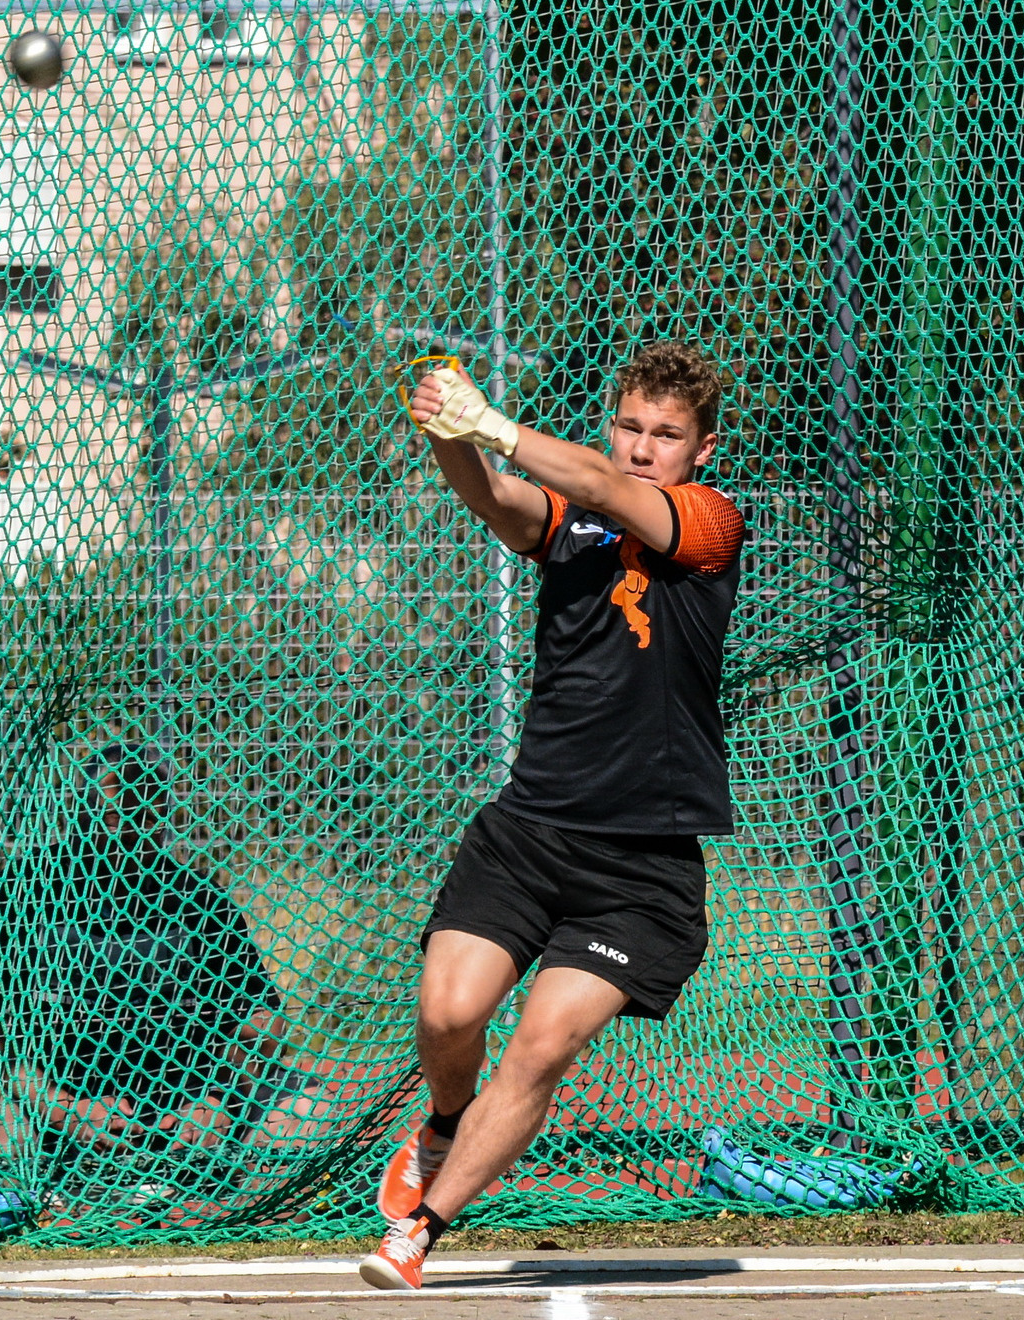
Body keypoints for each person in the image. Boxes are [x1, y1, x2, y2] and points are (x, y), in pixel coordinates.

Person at [359, 341, 746, 1289]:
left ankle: (419, 1233)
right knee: (450, 1015)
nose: (643, 447)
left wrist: (491, 421)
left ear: (702, 450)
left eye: (667, 435)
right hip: (529, 835)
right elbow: (497, 499)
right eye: (630, 427)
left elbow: (609, 493)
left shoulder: (708, 522)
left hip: (640, 873)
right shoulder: (571, 515)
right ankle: (445, 1126)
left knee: (540, 1045)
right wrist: (449, 429)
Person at [0, 745, 314, 1168]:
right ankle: (39, 1204)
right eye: (116, 815)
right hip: (47, 1109)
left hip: (186, 1107)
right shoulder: (17, 895)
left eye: (148, 815)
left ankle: (210, 1203)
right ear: (81, 814)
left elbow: (261, 1020)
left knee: (306, 1109)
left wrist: (220, 1097)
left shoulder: (198, 899)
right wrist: (61, 1108)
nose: (132, 830)